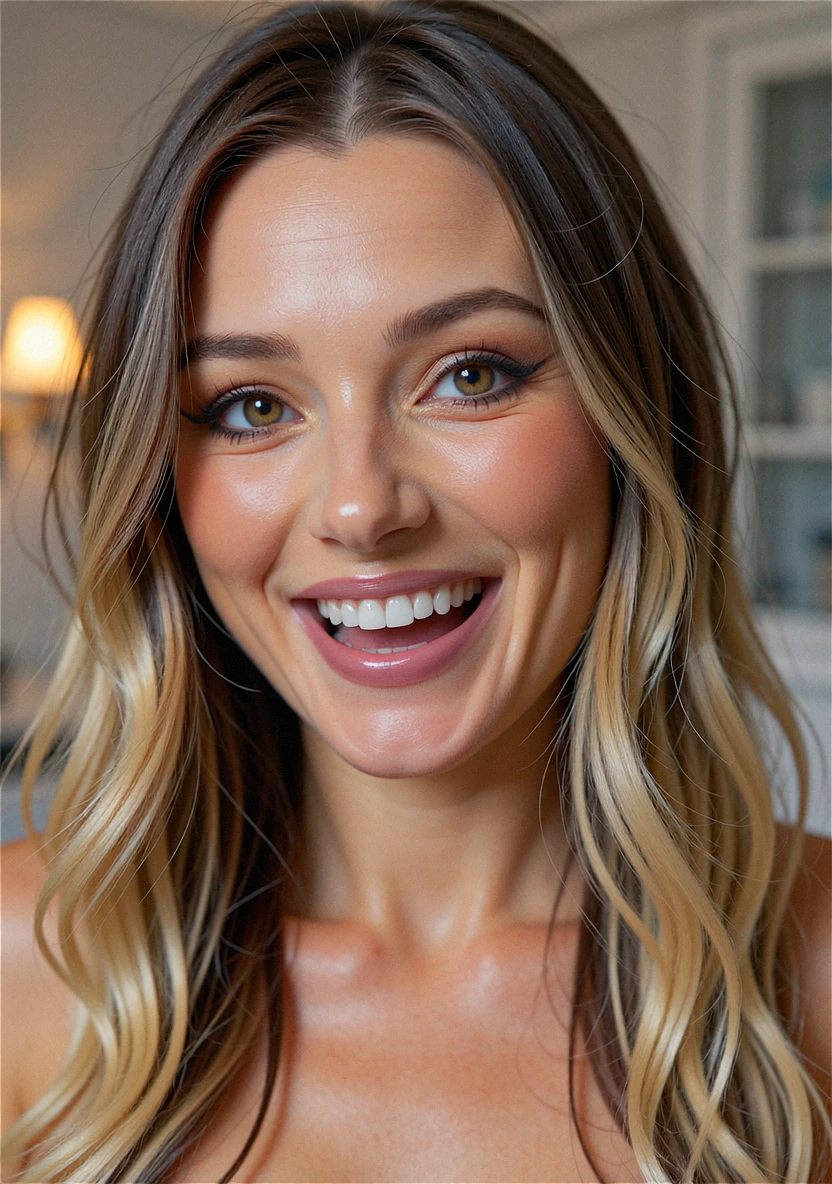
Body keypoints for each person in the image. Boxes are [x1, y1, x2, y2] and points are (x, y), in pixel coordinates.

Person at [1, 2, 830, 1181]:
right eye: (251, 404)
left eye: (470, 374)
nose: (359, 505)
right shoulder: (22, 966)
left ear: (633, 415)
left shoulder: (814, 973)